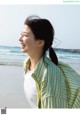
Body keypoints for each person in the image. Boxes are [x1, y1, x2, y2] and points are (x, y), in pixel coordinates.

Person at [19, 15, 80, 108]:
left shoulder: (49, 74)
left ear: (40, 42)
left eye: (25, 35)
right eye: (21, 34)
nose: (20, 39)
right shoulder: (27, 64)